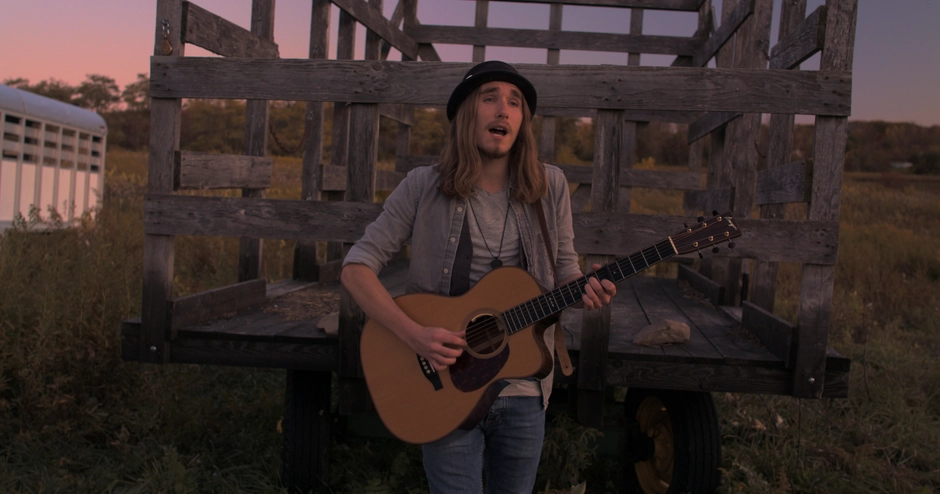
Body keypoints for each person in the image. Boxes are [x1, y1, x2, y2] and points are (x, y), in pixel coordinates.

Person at [341, 60, 616, 494]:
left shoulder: (552, 187)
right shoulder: (421, 186)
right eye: (490, 99)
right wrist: (414, 335)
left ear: (522, 122)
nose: (503, 110)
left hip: (525, 388)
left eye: (514, 102)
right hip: (444, 384)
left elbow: (566, 273)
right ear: (467, 113)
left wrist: (586, 290)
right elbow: (357, 268)